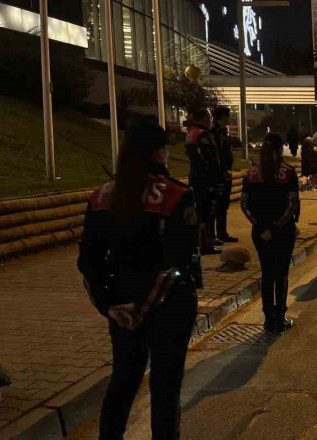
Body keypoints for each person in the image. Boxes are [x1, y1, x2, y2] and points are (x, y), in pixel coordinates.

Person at [78, 117, 200, 440]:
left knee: (123, 382)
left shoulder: (102, 197)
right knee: (165, 388)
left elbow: (88, 264)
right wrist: (142, 309)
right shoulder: (176, 196)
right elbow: (177, 266)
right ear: (158, 153)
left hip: (121, 304)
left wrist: (111, 307)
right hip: (168, 305)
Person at [241, 134, 299, 333]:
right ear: (280, 148)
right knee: (281, 273)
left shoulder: (251, 173)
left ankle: (268, 319)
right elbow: (292, 204)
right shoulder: (288, 173)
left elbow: (244, 204)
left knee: (267, 273)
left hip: (259, 233)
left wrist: (260, 226)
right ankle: (280, 317)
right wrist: (276, 227)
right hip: (283, 231)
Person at [186, 109, 223, 255]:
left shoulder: (191, 132)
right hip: (205, 180)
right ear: (202, 118)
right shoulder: (203, 134)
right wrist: (213, 176)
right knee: (205, 212)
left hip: (196, 178)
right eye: (208, 117)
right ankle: (204, 243)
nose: (210, 120)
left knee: (202, 211)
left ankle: (202, 241)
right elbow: (209, 158)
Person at [211, 106, 238, 244]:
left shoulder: (222, 132)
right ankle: (214, 235)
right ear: (222, 116)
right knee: (218, 205)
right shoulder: (214, 132)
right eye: (227, 116)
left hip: (226, 173)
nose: (229, 118)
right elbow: (215, 155)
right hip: (219, 175)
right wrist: (222, 170)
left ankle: (222, 233)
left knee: (223, 205)